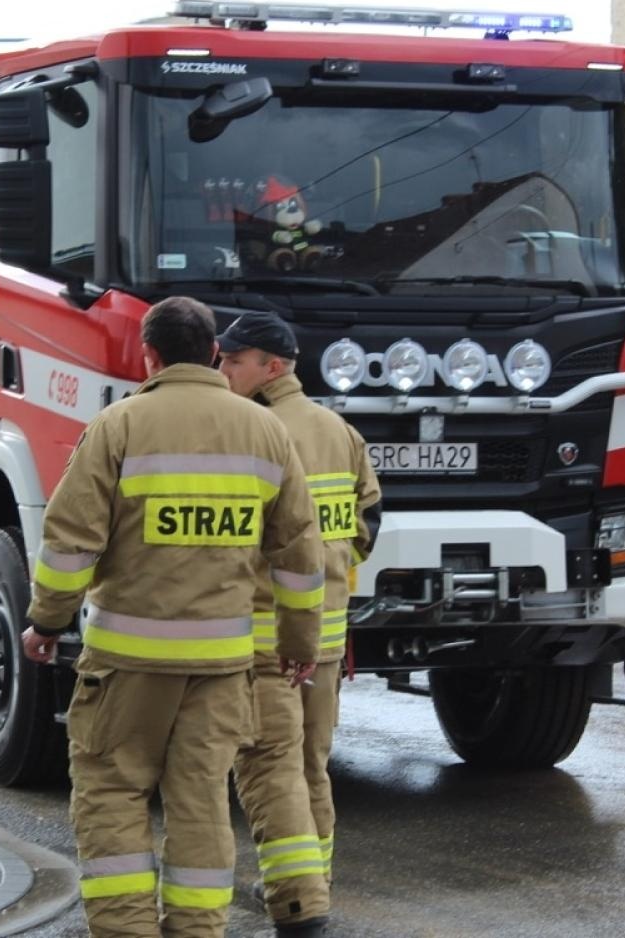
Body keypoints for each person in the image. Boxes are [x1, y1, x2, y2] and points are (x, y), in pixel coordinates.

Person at [22, 296, 326, 938]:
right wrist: (300, 643)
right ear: (213, 352)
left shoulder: (119, 426)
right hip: (222, 667)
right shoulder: (264, 430)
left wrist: (47, 622)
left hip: (127, 665)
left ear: (149, 355)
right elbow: (300, 554)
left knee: (112, 791)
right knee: (201, 798)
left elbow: (71, 541)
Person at [218, 312, 381, 902]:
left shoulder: (250, 429)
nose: (223, 369)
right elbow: (368, 523)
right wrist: (332, 574)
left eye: (235, 360)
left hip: (264, 640)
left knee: (270, 768)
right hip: (327, 637)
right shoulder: (339, 430)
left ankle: (294, 890)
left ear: (272, 367)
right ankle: (319, 880)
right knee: (312, 765)